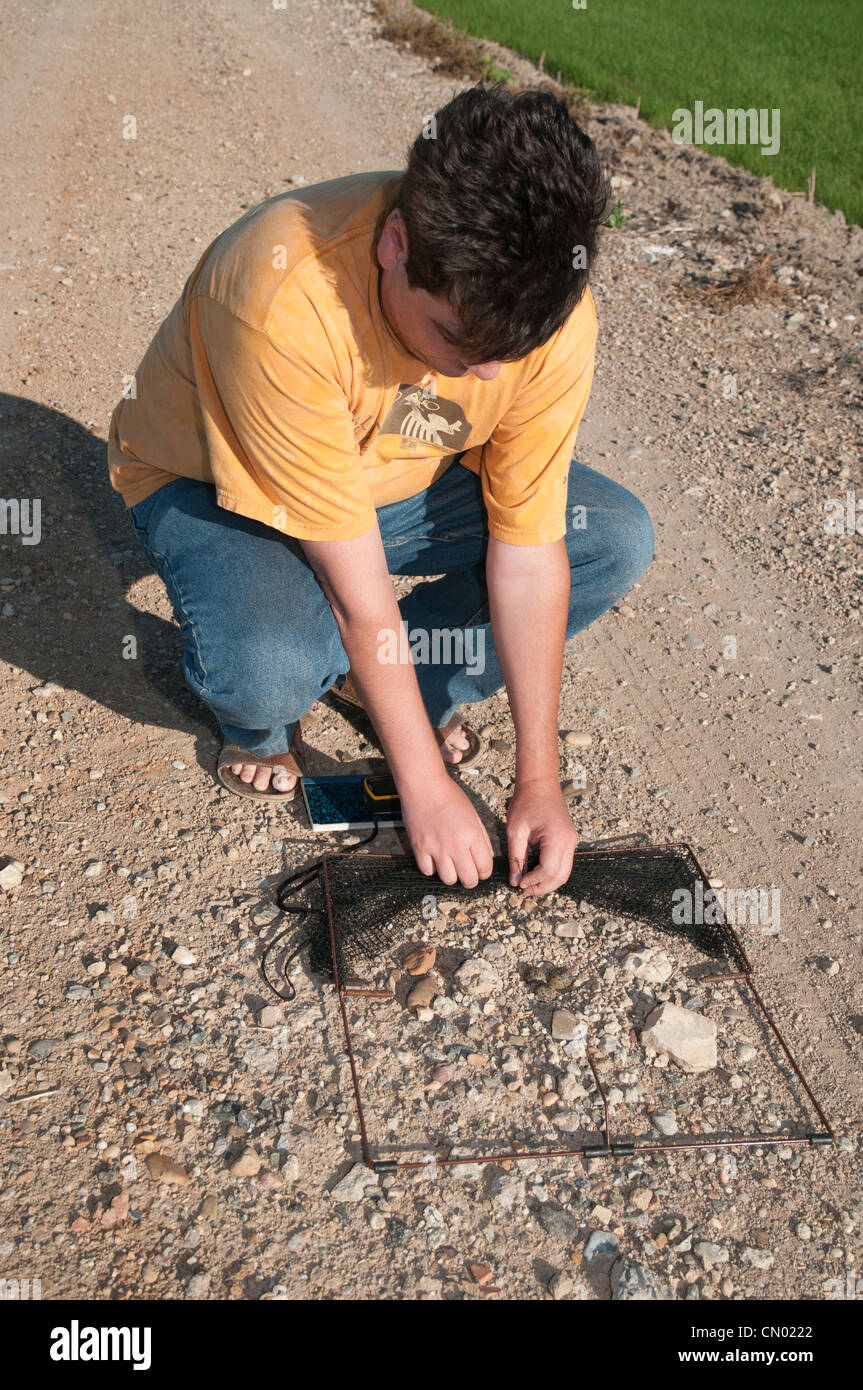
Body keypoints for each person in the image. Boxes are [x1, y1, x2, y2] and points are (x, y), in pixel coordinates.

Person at [108, 82, 654, 899]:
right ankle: (257, 727)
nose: (488, 374)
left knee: (611, 535)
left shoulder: (545, 310)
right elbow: (361, 597)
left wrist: (539, 778)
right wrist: (424, 788)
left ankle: (386, 682)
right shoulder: (280, 293)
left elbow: (530, 553)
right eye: (457, 340)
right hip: (214, 483)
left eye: (514, 350)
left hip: (390, 481)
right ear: (396, 244)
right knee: (271, 663)